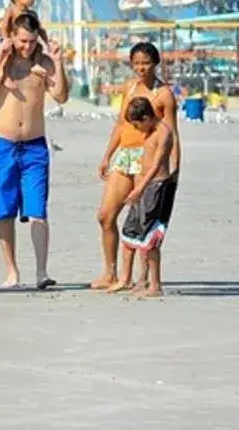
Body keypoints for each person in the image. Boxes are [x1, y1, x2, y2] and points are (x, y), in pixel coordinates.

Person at [0, 11, 69, 288]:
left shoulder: (44, 63)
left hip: (34, 145)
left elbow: (61, 95)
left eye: (30, 41)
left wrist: (59, 62)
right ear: (12, 37)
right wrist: (1, 58)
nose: (26, 46)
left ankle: (41, 271)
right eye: (22, 41)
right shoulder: (0, 59)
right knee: (4, 210)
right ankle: (12, 271)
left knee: (38, 208)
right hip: (2, 144)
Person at [92, 41, 180, 293]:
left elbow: (171, 134)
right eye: (136, 63)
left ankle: (144, 279)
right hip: (124, 156)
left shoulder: (163, 95)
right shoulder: (129, 88)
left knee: (145, 219)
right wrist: (107, 155)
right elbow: (121, 125)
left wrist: (175, 168)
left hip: (148, 160)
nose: (141, 68)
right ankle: (111, 272)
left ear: (155, 64)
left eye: (146, 63)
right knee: (105, 216)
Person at [119, 96, 177, 298]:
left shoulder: (163, 133)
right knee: (137, 234)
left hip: (157, 187)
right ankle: (142, 278)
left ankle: (155, 284)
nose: (137, 130)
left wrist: (139, 189)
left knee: (152, 237)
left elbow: (156, 165)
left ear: (146, 117)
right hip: (145, 186)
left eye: (137, 125)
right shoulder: (151, 131)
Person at [0, 0, 49, 87]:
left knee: (39, 47)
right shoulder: (12, 10)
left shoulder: (32, 14)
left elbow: (39, 29)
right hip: (11, 40)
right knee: (9, 54)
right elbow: (4, 26)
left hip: (25, 42)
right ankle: (5, 75)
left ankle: (36, 65)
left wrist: (46, 42)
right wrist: (6, 39)